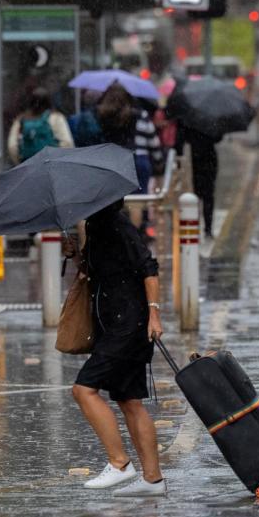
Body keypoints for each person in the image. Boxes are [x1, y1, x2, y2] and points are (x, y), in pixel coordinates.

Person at [67, 198, 167, 497]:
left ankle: (120, 462)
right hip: (116, 324)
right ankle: (153, 480)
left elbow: (149, 269)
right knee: (129, 400)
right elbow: (102, 274)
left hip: (128, 325)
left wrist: (154, 313)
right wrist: (76, 255)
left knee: (83, 389)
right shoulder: (97, 226)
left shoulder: (118, 225)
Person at [96, 83, 163, 194]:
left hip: (112, 160)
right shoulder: (138, 114)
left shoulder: (101, 116)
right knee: (140, 200)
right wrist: (158, 161)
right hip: (137, 158)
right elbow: (152, 140)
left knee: (117, 199)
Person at [175, 123, 221, 247]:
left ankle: (199, 227)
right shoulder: (211, 120)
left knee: (198, 196)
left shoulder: (189, 121)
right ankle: (207, 228)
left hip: (197, 159)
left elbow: (180, 139)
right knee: (207, 196)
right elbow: (218, 137)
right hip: (208, 159)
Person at [7, 87, 73, 164]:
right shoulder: (55, 117)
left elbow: (12, 146)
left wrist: (19, 162)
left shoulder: (21, 120)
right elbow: (67, 142)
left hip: (28, 165)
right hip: (51, 163)